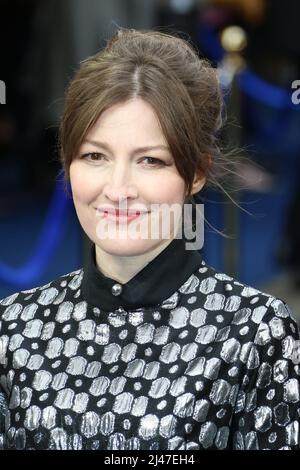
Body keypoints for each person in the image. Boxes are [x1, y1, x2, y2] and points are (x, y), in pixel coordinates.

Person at [0, 28, 299, 451]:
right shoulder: (14, 328)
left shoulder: (255, 334)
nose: (118, 188)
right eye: (94, 156)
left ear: (196, 173)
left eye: (150, 161)